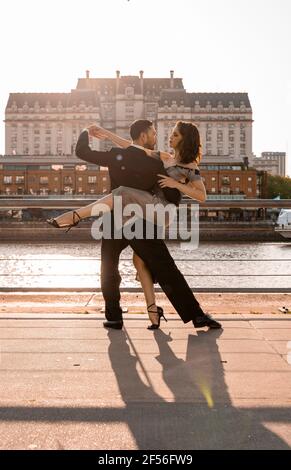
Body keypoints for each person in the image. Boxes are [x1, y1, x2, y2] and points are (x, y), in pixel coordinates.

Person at [51, 120, 221, 331]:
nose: (164, 137)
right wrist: (107, 133)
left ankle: (116, 316)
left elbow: (200, 194)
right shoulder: (160, 159)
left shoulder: (160, 159)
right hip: (142, 219)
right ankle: (188, 314)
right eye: (155, 133)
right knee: (158, 266)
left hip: (128, 215)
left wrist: (94, 132)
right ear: (144, 136)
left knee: (111, 266)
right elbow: (132, 147)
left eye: (174, 135)